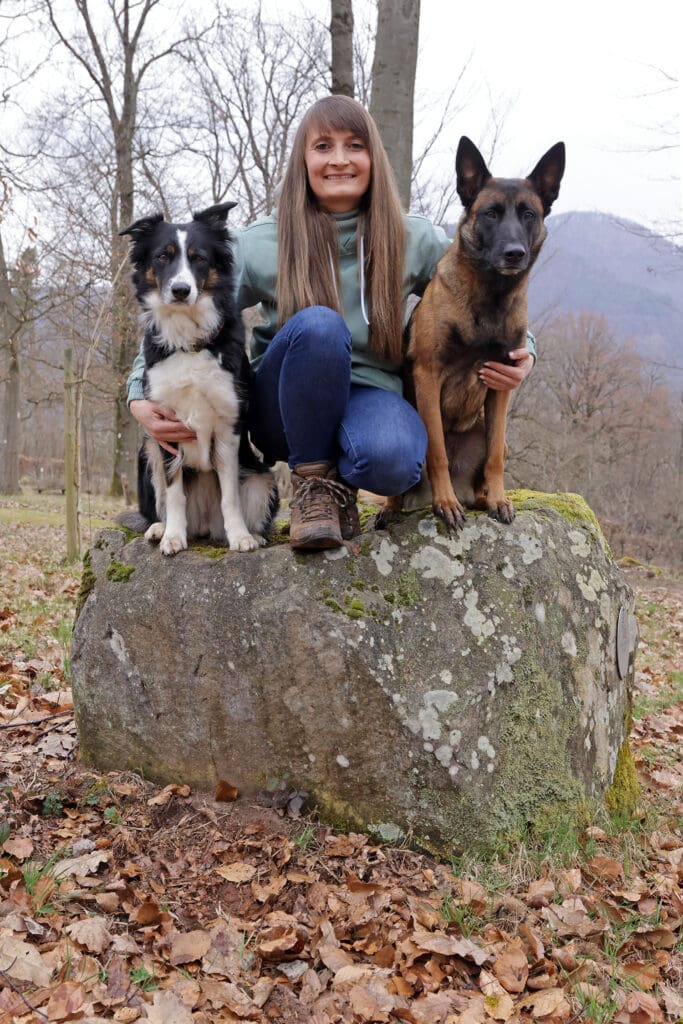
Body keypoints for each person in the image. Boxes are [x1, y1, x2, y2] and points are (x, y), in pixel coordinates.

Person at [127, 95, 535, 551]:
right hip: (283, 403)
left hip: (369, 393)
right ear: (303, 159)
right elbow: (175, 318)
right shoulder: (262, 241)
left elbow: (475, 289)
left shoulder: (412, 237)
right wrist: (138, 395)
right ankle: (313, 487)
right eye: (323, 146)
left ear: (372, 158)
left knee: (398, 460)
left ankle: (342, 483)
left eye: (354, 146)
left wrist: (524, 350)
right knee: (320, 326)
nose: (339, 159)